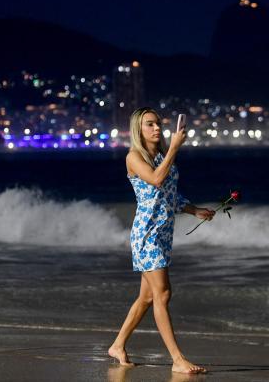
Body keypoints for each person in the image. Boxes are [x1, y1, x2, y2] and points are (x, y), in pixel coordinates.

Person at [108, 107, 215, 374]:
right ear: (138, 130)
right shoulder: (134, 157)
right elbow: (156, 180)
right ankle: (177, 360)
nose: (157, 128)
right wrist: (175, 149)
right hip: (147, 234)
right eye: (150, 125)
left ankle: (118, 345)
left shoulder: (160, 157)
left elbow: (169, 196)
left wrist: (195, 210)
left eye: (158, 124)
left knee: (146, 297)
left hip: (164, 233)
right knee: (163, 293)